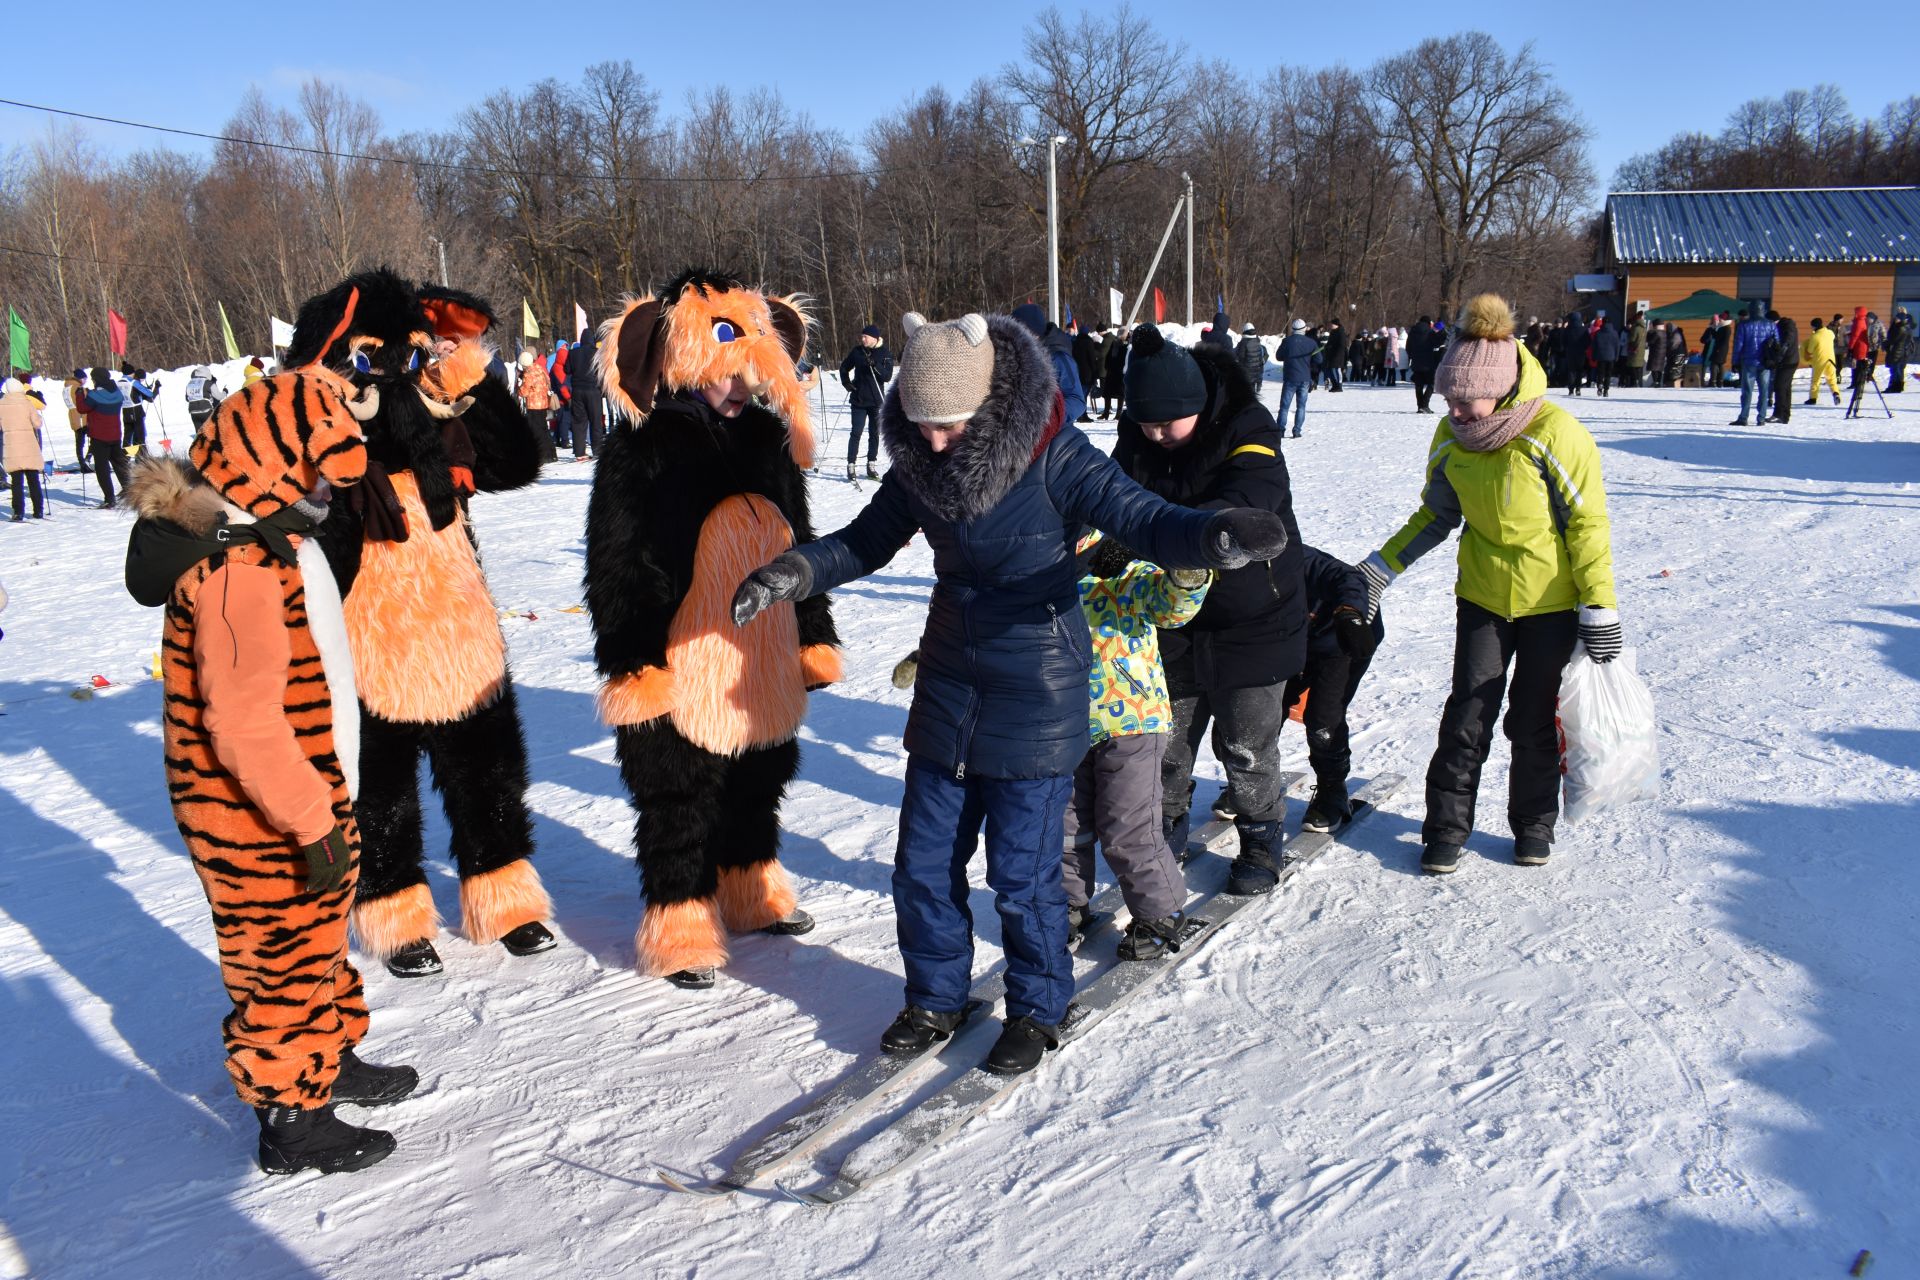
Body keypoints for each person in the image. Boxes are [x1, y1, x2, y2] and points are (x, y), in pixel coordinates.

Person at [729, 310, 1287, 1076]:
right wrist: (792, 573)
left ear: (989, 402)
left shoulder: (1056, 454)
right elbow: (866, 539)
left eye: (949, 424)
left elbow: (1146, 519)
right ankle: (935, 996)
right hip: (952, 676)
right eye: (920, 424)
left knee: (1023, 877)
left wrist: (1214, 535)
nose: (932, 441)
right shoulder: (921, 465)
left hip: (1039, 682)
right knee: (922, 865)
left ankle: (1037, 1006)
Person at [121, 366, 417, 1176]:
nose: (326, 489)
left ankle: (330, 1057)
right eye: (315, 472)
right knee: (280, 956)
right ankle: (293, 1115)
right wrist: (311, 819)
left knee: (319, 940)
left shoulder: (269, 540)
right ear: (274, 468)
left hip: (304, 795)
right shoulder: (238, 573)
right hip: (262, 818)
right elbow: (244, 723)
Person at [297, 272, 556, 979]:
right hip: (365, 635)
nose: (390, 372)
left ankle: (502, 894)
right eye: (373, 355)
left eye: (405, 355)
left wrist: (476, 384)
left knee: (488, 769)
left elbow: (519, 463)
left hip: (456, 624)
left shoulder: (440, 422)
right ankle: (393, 910)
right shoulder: (320, 432)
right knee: (380, 785)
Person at [585, 270, 837, 988]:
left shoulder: (765, 438)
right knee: (679, 793)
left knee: (760, 773)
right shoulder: (643, 449)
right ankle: (679, 918)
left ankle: (749, 886)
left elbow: (801, 543)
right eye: (727, 376)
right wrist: (633, 661)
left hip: (758, 649)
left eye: (750, 376)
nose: (740, 390)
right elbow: (617, 563)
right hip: (676, 648)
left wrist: (812, 631)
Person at [1358, 294, 1618, 875]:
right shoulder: (1452, 437)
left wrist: (1599, 605)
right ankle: (1446, 831)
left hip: (1552, 603)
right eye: (1449, 398)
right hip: (1482, 599)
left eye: (1465, 399)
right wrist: (1383, 566)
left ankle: (1532, 826)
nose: (1455, 410)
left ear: (1500, 389)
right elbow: (1436, 515)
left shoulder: (1554, 432)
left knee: (1531, 720)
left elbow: (1588, 524)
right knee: (1466, 718)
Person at [1111, 324, 1308, 898]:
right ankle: (1163, 833)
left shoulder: (1249, 428)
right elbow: (1111, 493)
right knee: (1165, 745)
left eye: (1167, 422)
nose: (1155, 433)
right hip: (1172, 616)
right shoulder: (1138, 434)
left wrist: (1197, 533)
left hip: (1256, 616)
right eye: (1145, 421)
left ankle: (1261, 837)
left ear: (1197, 404)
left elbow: (1252, 498)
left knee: (1246, 745)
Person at [1060, 534, 1211, 959]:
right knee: (1063, 826)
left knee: (1127, 825)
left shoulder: (1121, 564)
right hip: (1062, 723)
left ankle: (1160, 911)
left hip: (1132, 718)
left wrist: (1187, 573)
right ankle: (1066, 904)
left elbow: (1170, 606)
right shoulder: (1035, 564)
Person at [1287, 547, 1384, 831]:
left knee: (1323, 718)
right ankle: (1249, 785)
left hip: (1340, 640)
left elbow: (1350, 578)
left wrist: (1350, 614)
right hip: (1285, 642)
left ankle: (1332, 792)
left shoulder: (1292, 556)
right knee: (1257, 711)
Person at [1011, 303, 1086, 423]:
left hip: (1053, 434)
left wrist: (1047, 420)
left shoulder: (1058, 357)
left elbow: (1076, 400)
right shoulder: (1014, 354)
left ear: (1033, 332)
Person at [839, 325, 895, 481]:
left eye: (865, 337)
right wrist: (846, 382)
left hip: (876, 401)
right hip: (858, 400)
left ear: (874, 338)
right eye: (862, 336)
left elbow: (887, 377)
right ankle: (851, 465)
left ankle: (871, 464)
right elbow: (844, 367)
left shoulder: (885, 353)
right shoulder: (857, 352)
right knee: (856, 432)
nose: (862, 339)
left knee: (874, 434)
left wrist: (874, 365)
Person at [78, 368, 129, 507]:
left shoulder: (94, 395)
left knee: (102, 469)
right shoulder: (118, 393)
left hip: (99, 437)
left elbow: (82, 408)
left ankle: (109, 498)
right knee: (120, 466)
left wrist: (80, 395)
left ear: (96, 379)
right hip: (115, 435)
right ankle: (130, 493)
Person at [2, 377, 46, 520]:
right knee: (33, 480)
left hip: (12, 448)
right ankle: (38, 510)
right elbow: (37, 423)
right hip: (29, 447)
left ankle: (18, 512)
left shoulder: (1, 404)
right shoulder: (26, 402)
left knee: (16, 483)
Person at [1730, 303, 1777, 426]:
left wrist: (1735, 361)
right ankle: (1761, 417)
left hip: (1748, 360)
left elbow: (1738, 345)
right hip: (1765, 361)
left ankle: (1743, 417)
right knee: (1764, 390)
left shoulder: (1744, 325)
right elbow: (1777, 343)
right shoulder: (1771, 325)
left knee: (1747, 390)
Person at [1273, 319, 1317, 437]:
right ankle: (1297, 430)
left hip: (1290, 377)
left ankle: (1280, 430)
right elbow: (1319, 359)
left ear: (1293, 329)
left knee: (1284, 406)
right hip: (1305, 378)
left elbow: (1278, 356)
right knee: (1301, 406)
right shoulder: (1311, 343)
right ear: (1304, 329)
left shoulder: (1287, 341)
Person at [570, 335, 606, 461]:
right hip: (593, 390)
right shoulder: (597, 352)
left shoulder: (573, 353)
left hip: (577, 390)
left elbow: (567, 369)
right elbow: (602, 370)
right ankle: (597, 450)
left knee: (579, 421)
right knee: (596, 420)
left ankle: (580, 452)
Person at [516, 348, 555, 462]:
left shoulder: (528, 373)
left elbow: (524, 392)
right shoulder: (539, 368)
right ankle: (551, 453)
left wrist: (519, 388)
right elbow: (547, 381)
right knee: (544, 429)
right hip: (543, 403)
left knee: (537, 430)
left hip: (533, 405)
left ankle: (543, 455)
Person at [1407, 316, 1445, 414]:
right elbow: (1437, 343)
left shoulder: (1412, 332)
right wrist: (1441, 333)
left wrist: (1412, 356)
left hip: (1416, 362)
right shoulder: (1429, 332)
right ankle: (1425, 405)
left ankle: (1420, 406)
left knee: (1418, 384)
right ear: (1429, 322)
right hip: (1429, 362)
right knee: (1432, 383)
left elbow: (1408, 347)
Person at [1768, 310, 1799, 424]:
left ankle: (1779, 414)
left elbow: (1788, 339)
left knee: (1780, 386)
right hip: (1787, 360)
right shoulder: (1782, 326)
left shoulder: (1786, 325)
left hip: (1788, 361)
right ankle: (1784, 415)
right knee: (1785, 388)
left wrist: (1782, 349)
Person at [1844, 306, 1876, 417]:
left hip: (1859, 347)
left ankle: (1857, 384)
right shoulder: (1861, 321)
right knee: (1858, 366)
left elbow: (1855, 336)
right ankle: (1857, 383)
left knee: (1859, 367)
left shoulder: (1859, 322)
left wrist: (1850, 347)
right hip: (1861, 347)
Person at [1803, 317, 1841, 405]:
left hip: (1819, 361)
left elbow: (1810, 350)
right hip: (1831, 360)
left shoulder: (1815, 337)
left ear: (1814, 327)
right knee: (1832, 379)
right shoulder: (1830, 333)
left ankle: (1813, 398)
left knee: (1815, 380)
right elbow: (1833, 337)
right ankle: (1836, 393)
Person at [1072, 322, 1104, 422]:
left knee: (1080, 395)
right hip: (1087, 373)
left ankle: (1081, 414)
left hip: (1077, 372)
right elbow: (1091, 358)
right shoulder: (1088, 342)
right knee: (1084, 395)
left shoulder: (1075, 341)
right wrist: (1095, 372)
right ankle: (1082, 415)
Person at [1099, 324, 1128, 420]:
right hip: (1111, 372)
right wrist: (1107, 366)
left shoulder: (1128, 345)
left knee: (1120, 394)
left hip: (1120, 373)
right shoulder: (1114, 343)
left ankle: (1118, 414)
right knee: (1107, 393)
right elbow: (1108, 356)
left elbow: (1126, 358)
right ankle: (1106, 412)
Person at [1556, 313, 1589, 395]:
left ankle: (1571, 389)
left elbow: (1563, 341)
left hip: (1570, 353)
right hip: (1581, 353)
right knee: (1579, 371)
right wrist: (1584, 348)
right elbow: (1588, 341)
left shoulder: (1567, 329)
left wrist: (1566, 348)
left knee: (1571, 371)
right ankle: (1578, 388)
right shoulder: (1584, 329)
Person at [1591, 314, 1621, 397]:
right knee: (1608, 374)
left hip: (1600, 356)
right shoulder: (1614, 333)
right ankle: (1606, 390)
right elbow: (1617, 346)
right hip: (1611, 356)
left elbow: (1594, 346)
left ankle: (1600, 384)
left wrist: (1594, 356)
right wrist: (1616, 356)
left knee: (1600, 373)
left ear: (1602, 323)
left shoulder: (1598, 333)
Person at [1885, 307, 1912, 393]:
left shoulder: (1901, 328)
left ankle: (1896, 387)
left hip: (1898, 352)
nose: (1895, 319)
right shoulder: (1903, 326)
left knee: (1896, 370)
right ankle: (1896, 386)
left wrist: (1886, 343)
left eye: (1897, 318)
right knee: (1896, 370)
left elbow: (1893, 339)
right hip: (1899, 352)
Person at [1235, 323, 1267, 391]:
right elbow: (1264, 356)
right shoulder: (1257, 341)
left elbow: (1240, 357)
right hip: (1257, 375)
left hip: (1247, 376)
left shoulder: (1243, 343)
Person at [1320, 322, 1347, 392]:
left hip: (1338, 355)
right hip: (1331, 354)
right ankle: (1334, 385)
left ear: (1336, 325)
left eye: (1333, 324)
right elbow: (1330, 342)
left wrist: (1333, 348)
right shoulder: (1333, 332)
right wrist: (1327, 346)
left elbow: (1341, 345)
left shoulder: (1341, 333)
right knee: (1329, 370)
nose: (1331, 325)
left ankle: (1339, 385)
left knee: (1337, 370)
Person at [1625, 312, 1648, 388]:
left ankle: (1634, 382)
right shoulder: (1644, 329)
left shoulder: (1635, 328)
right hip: (1641, 350)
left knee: (1632, 367)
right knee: (1638, 367)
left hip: (1635, 349)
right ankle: (1638, 381)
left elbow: (1632, 339)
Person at [1664, 323, 1688, 388]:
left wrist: (1667, 350)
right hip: (1679, 353)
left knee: (1675, 369)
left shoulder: (1676, 334)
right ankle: (1674, 382)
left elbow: (1673, 345)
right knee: (1676, 369)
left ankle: (1673, 382)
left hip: (1677, 353)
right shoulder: (1677, 333)